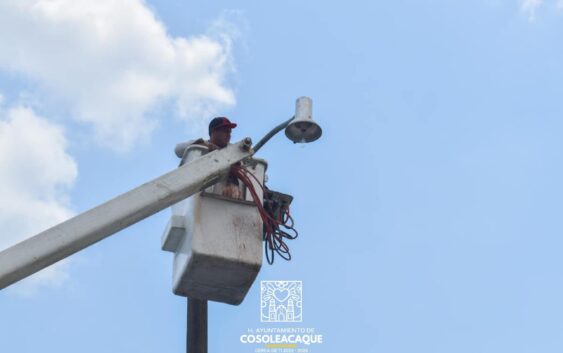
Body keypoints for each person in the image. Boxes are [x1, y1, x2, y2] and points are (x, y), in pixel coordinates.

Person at [175, 117, 241, 199]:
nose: (228, 135)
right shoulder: (202, 145)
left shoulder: (233, 150)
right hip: (198, 194)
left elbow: (241, 168)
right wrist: (201, 145)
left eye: (229, 132)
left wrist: (232, 184)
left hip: (221, 198)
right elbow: (178, 149)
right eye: (225, 131)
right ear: (213, 131)